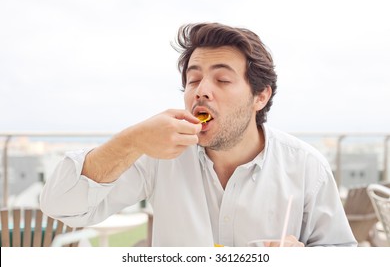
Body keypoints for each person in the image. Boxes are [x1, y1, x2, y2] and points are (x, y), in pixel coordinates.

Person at [40, 22, 357, 247]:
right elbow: (61, 206)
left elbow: (340, 251)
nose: (201, 91)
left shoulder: (306, 167)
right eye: (193, 81)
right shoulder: (158, 156)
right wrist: (132, 140)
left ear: (259, 96)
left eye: (221, 80)